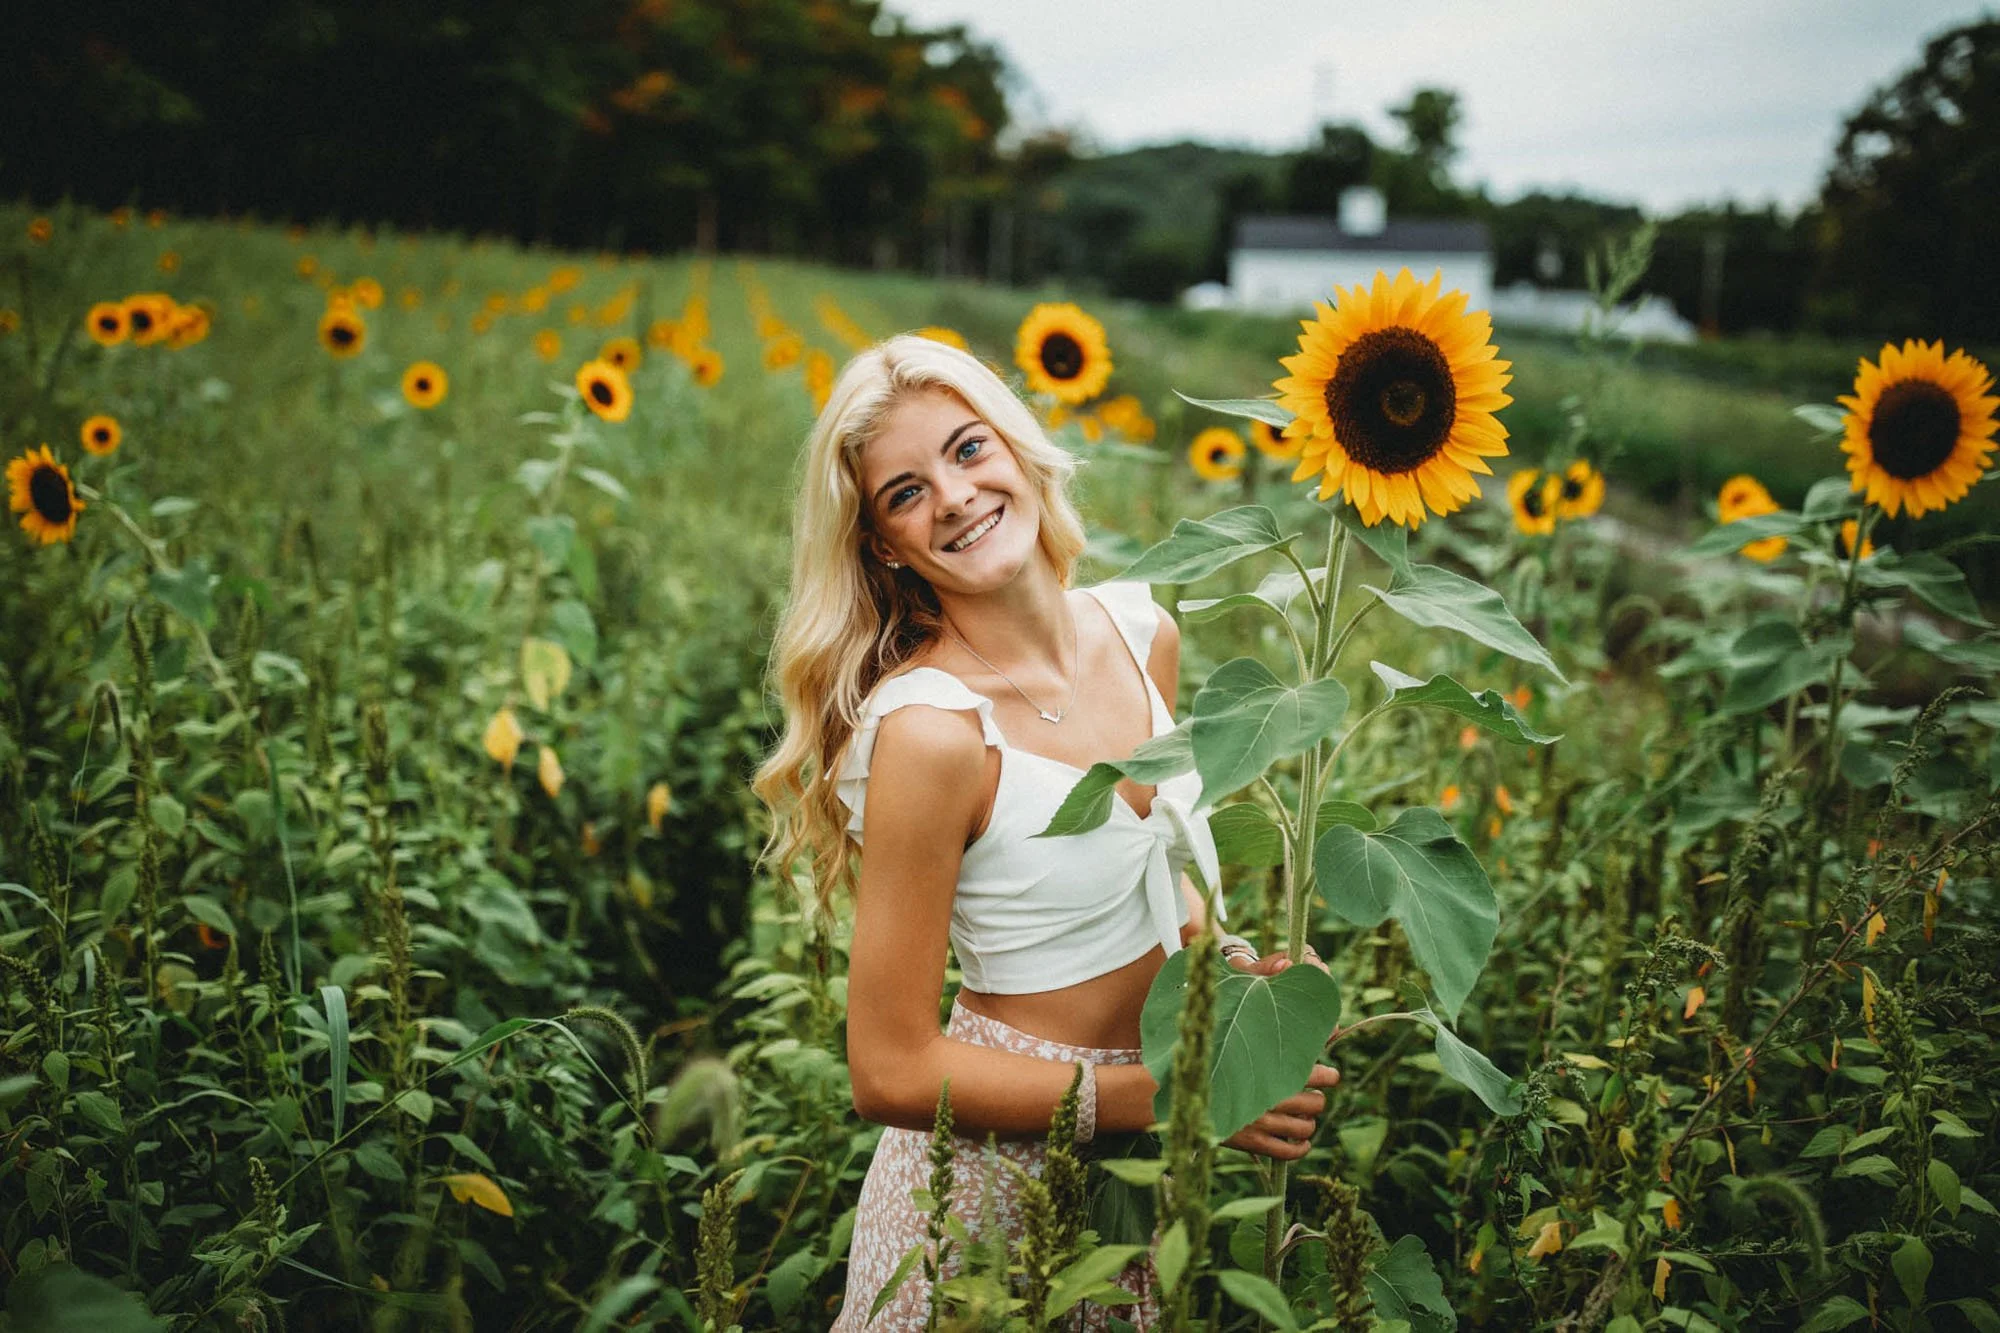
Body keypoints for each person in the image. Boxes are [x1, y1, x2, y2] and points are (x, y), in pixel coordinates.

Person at [753, 334, 1339, 1330]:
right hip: (980, 1198)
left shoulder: (1140, 629)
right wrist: (1160, 1095)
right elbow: (886, 1067)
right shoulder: (931, 733)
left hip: (1145, 1178)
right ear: (884, 545)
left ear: (1019, 451)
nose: (951, 494)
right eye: (903, 492)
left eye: (967, 449)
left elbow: (1160, 886)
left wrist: (1237, 999)